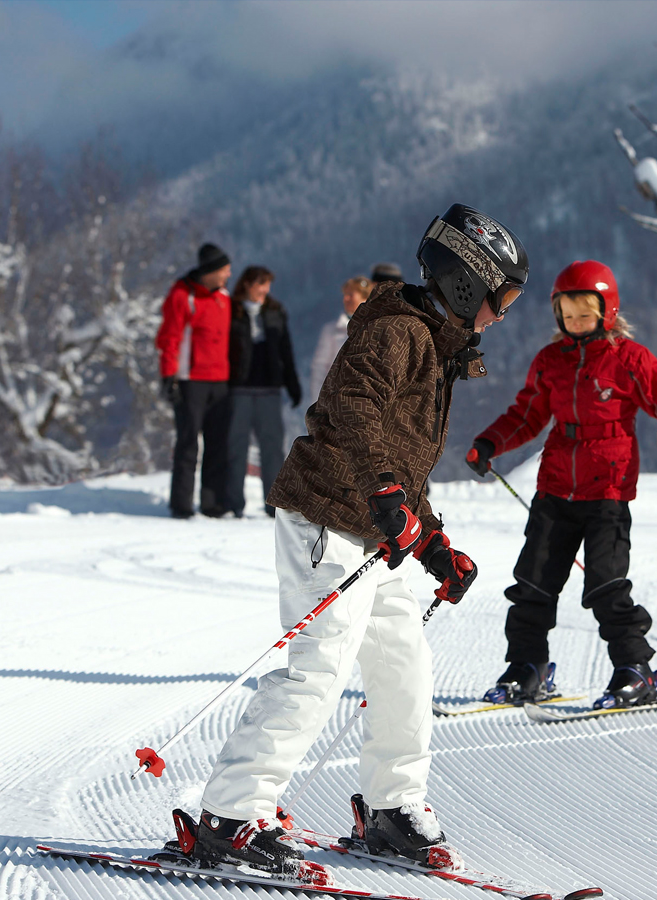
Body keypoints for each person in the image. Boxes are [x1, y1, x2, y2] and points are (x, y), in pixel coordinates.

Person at [161, 204, 528, 879]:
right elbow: (351, 413)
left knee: (403, 669)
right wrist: (387, 499)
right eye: (500, 299)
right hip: (326, 521)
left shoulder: (435, 343)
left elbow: (400, 459)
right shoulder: (395, 333)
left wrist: (435, 546)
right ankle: (230, 817)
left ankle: (392, 809)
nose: (500, 316)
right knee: (318, 670)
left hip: (372, 532)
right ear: (466, 285)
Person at [466, 260, 657, 711]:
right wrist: (489, 443)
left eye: (585, 311)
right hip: (555, 490)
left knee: (606, 586)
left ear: (608, 310)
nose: (575, 320)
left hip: (608, 495)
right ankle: (528, 668)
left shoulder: (629, 359)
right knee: (533, 585)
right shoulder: (549, 362)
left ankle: (635, 672)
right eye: (567, 311)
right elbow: (526, 415)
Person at [155, 243, 233, 518]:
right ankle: (181, 504)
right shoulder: (182, 296)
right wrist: (168, 376)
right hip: (190, 380)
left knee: (217, 442)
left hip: (220, 380)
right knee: (188, 443)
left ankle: (212, 503)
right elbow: (169, 338)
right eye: (224, 269)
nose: (228, 274)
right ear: (210, 271)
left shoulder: (223, 297)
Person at [226, 266, 302, 517]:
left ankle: (274, 505)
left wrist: (292, 385)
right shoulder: (230, 310)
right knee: (235, 447)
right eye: (261, 284)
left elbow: (286, 351)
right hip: (239, 388)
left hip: (270, 388)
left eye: (267, 285)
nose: (265, 290)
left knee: (272, 449)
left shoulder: (275, 312)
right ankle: (233, 503)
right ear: (247, 284)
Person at [308, 276, 371, 405]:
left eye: (351, 295)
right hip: (337, 402)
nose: (345, 299)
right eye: (345, 295)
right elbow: (319, 368)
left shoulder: (377, 327)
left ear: (364, 298)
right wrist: (318, 403)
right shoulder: (331, 330)